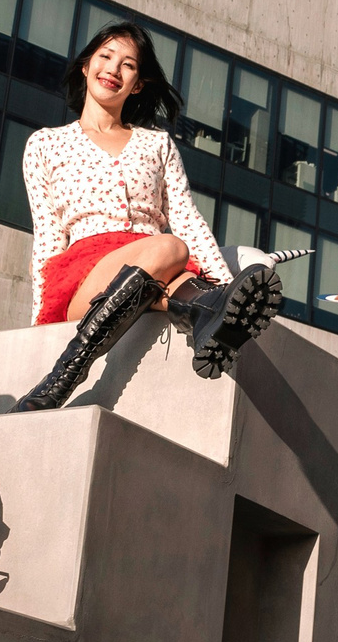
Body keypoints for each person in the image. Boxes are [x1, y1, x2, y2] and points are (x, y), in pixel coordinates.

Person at [15, 21, 284, 411]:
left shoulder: (157, 143)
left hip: (158, 271)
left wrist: (228, 286)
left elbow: (187, 218)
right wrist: (38, 325)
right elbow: (47, 238)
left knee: (189, 284)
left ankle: (207, 311)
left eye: (128, 64)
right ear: (86, 66)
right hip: (84, 282)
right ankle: (67, 370)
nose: (113, 69)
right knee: (170, 248)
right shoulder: (45, 144)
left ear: (138, 84)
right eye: (106, 57)